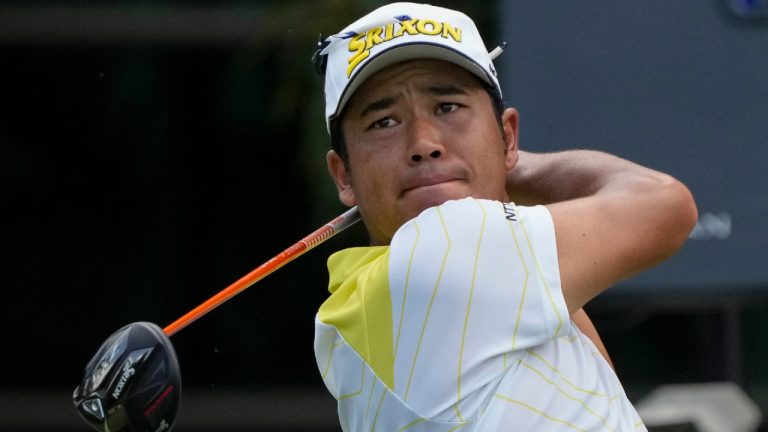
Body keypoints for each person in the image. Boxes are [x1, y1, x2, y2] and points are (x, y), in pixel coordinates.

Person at [310, 3, 697, 431]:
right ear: (344, 175)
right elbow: (665, 205)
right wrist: (512, 165)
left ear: (505, 133)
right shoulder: (448, 251)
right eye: (384, 122)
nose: (423, 143)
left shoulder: (351, 315)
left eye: (447, 108)